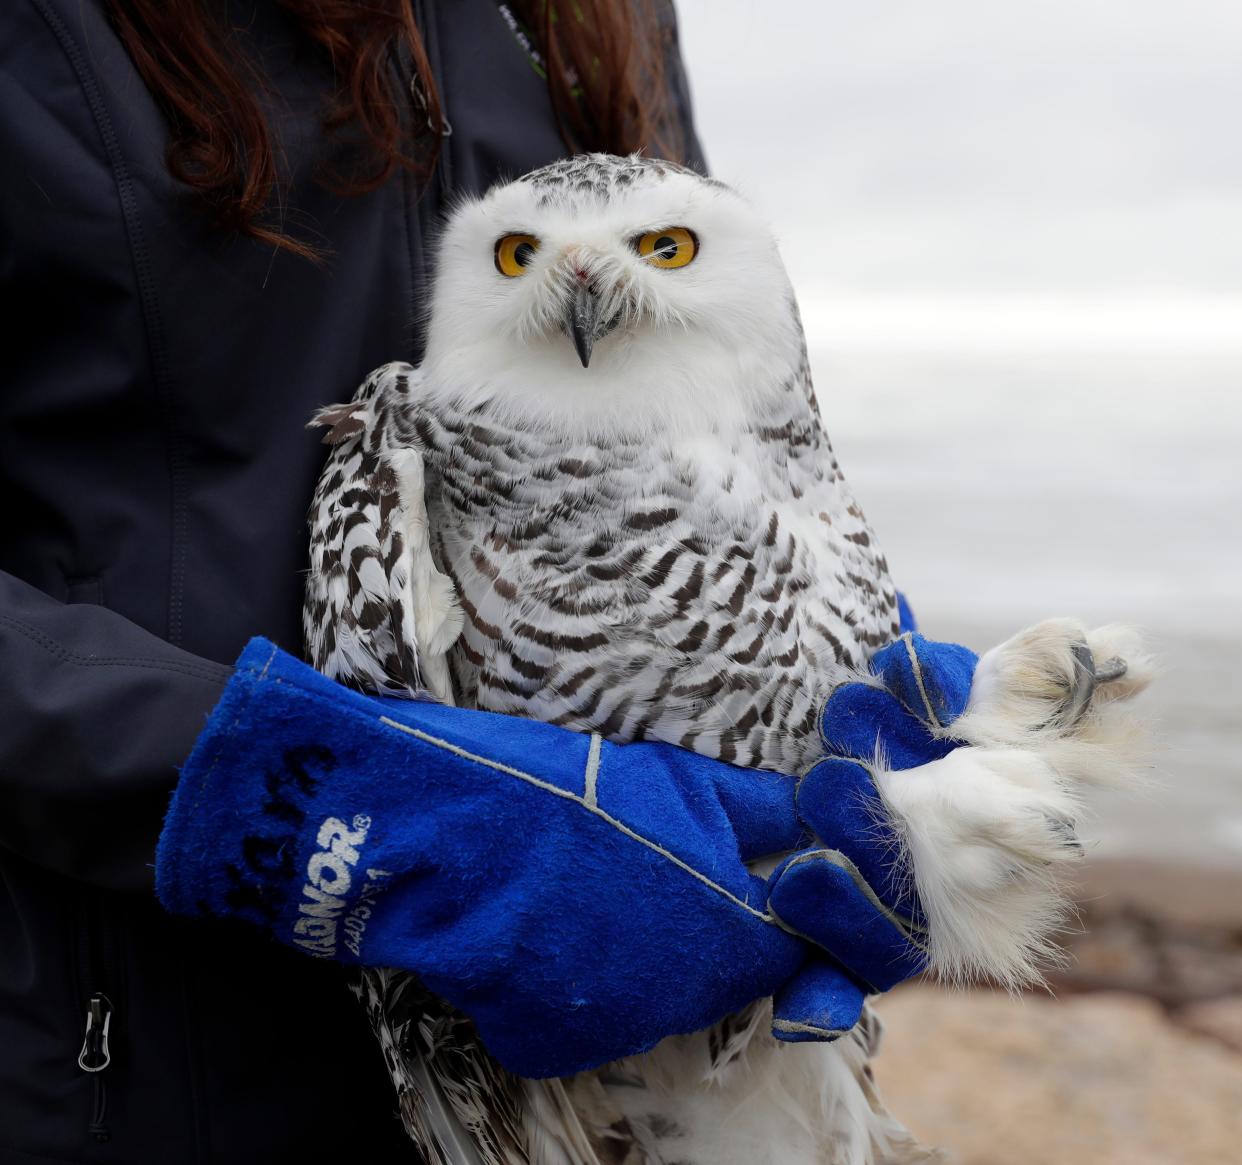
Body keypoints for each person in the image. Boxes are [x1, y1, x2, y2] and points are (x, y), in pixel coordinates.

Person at [1, 3, 947, 1161]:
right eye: (517, 258)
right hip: (130, 1042)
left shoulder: (600, 13)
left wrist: (842, 698)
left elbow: (712, 391)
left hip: (619, 1044)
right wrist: (311, 799)